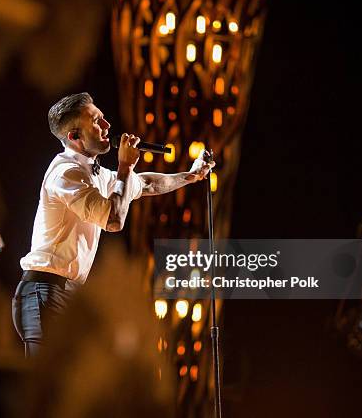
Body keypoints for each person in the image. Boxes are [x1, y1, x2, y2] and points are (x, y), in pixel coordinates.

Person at [12, 92, 214, 357]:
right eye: (96, 121)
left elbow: (147, 184)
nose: (107, 126)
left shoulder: (94, 174)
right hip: (45, 292)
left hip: (66, 294)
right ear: (74, 137)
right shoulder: (66, 174)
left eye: (103, 118)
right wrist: (124, 167)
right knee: (49, 391)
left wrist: (191, 176)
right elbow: (113, 220)